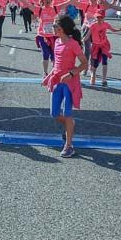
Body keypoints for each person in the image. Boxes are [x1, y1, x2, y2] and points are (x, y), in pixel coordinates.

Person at [43, 14, 88, 158]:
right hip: (57, 82)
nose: (53, 27)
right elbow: (57, 64)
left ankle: (69, 146)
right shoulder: (56, 42)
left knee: (67, 114)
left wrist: (72, 73)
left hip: (69, 83)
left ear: (63, 28)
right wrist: (50, 75)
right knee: (54, 113)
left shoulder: (73, 43)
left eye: (56, 25)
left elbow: (84, 63)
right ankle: (70, 125)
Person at [82, 12, 121, 87]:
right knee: (95, 63)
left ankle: (104, 79)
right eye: (98, 18)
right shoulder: (93, 25)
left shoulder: (106, 24)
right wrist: (82, 40)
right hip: (96, 46)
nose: (99, 19)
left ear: (103, 18)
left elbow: (113, 30)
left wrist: (120, 29)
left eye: (101, 18)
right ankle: (93, 76)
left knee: (104, 62)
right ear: (95, 18)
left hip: (104, 45)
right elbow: (88, 35)